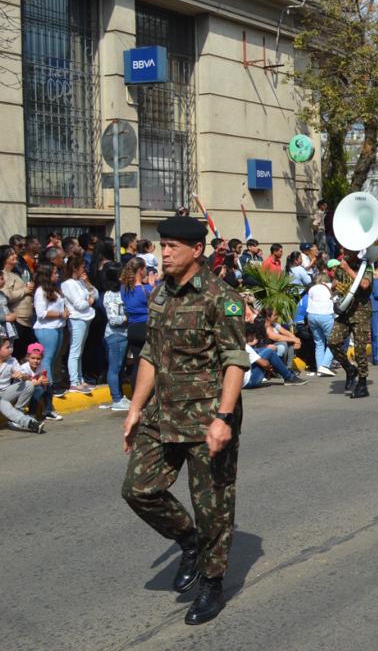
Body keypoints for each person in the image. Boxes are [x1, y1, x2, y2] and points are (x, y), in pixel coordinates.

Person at [121, 215, 248, 626]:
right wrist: (136, 408)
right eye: (163, 245)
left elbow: (235, 360)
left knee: (212, 506)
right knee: (138, 490)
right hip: (163, 414)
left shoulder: (220, 297)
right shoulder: (159, 295)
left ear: (197, 250)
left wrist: (224, 418)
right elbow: (150, 356)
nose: (165, 251)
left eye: (173, 246)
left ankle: (212, 583)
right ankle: (188, 540)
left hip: (207, 418)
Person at [329, 252, 373, 396]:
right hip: (345, 311)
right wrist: (334, 289)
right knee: (332, 342)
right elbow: (336, 287)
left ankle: (362, 383)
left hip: (360, 312)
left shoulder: (366, 266)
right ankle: (349, 368)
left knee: (360, 349)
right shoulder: (342, 265)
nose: (346, 253)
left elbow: (364, 284)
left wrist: (348, 269)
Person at [59, 254, 97, 394]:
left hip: (86, 318)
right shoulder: (67, 284)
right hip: (76, 319)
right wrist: (89, 301)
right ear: (74, 268)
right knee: (75, 351)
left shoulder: (80, 282)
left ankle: (80, 379)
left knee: (79, 351)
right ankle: (74, 382)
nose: (84, 269)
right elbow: (79, 304)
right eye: (82, 267)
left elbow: (95, 294)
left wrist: (87, 284)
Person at [32, 261, 68, 386]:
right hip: (47, 329)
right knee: (47, 358)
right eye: (54, 273)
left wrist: (64, 311)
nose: (57, 275)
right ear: (47, 275)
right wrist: (60, 314)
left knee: (53, 358)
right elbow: (41, 313)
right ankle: (49, 386)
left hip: (57, 327)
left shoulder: (54, 289)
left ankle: (50, 383)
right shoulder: (40, 291)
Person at [121, 257, 154, 392]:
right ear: (140, 270)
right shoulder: (146, 289)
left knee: (137, 365)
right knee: (151, 364)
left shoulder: (124, 288)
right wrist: (153, 286)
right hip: (145, 326)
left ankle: (136, 394)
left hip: (132, 329)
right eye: (145, 268)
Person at [101, 264, 131, 411]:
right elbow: (113, 319)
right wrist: (129, 317)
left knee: (120, 367)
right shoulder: (109, 295)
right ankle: (116, 399)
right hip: (115, 335)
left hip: (124, 334)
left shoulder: (124, 291)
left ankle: (120, 396)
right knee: (114, 367)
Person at [0, 336, 43, 432]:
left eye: (10, 346)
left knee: (28, 384)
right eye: (7, 347)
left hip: (6, 392)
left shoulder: (12, 361)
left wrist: (22, 375)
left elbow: (27, 377)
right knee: (2, 403)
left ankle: (19, 413)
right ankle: (29, 422)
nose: (10, 349)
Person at [1, 245, 35, 358]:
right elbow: (6, 296)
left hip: (27, 320)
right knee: (16, 353)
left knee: (26, 353)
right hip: (17, 320)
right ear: (4, 258)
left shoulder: (15, 274)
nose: (15, 255)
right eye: (11, 254)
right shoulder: (3, 275)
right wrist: (25, 290)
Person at [305, 273, 336, 377]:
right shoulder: (329, 286)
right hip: (326, 315)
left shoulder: (312, 288)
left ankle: (319, 369)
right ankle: (325, 366)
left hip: (312, 315)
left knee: (319, 343)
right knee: (333, 342)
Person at [20, 341, 56, 422]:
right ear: (27, 357)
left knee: (48, 386)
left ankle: (48, 411)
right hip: (23, 391)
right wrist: (40, 382)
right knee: (38, 389)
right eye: (33, 358)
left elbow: (42, 378)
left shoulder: (41, 366)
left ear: (42, 358)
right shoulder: (23, 368)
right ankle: (31, 414)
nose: (36, 361)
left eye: (38, 358)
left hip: (33, 388)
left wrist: (45, 381)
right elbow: (28, 384)